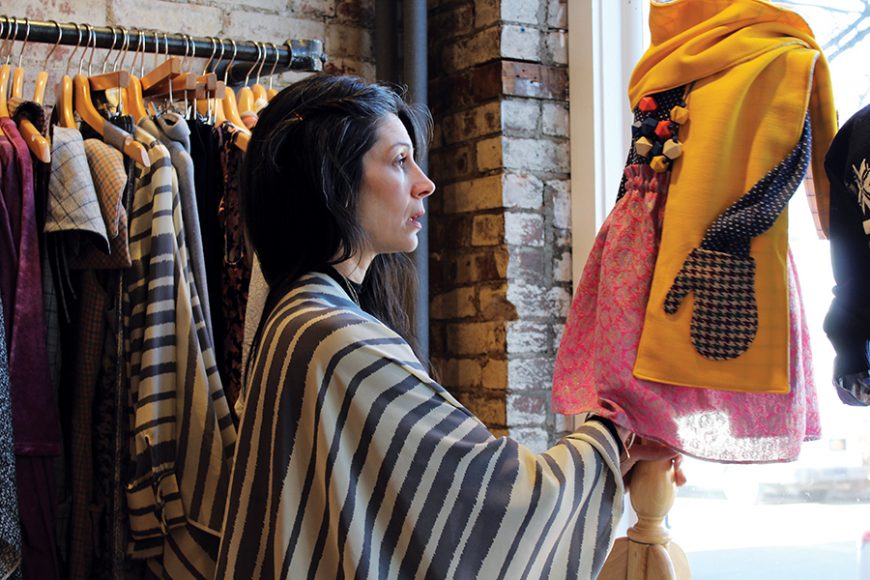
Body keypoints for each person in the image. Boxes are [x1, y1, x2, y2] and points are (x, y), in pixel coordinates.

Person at [215, 73, 684, 579]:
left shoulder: (300, 313)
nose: (425, 182)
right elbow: (501, 501)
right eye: (399, 161)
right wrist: (614, 436)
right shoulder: (335, 337)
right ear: (333, 178)